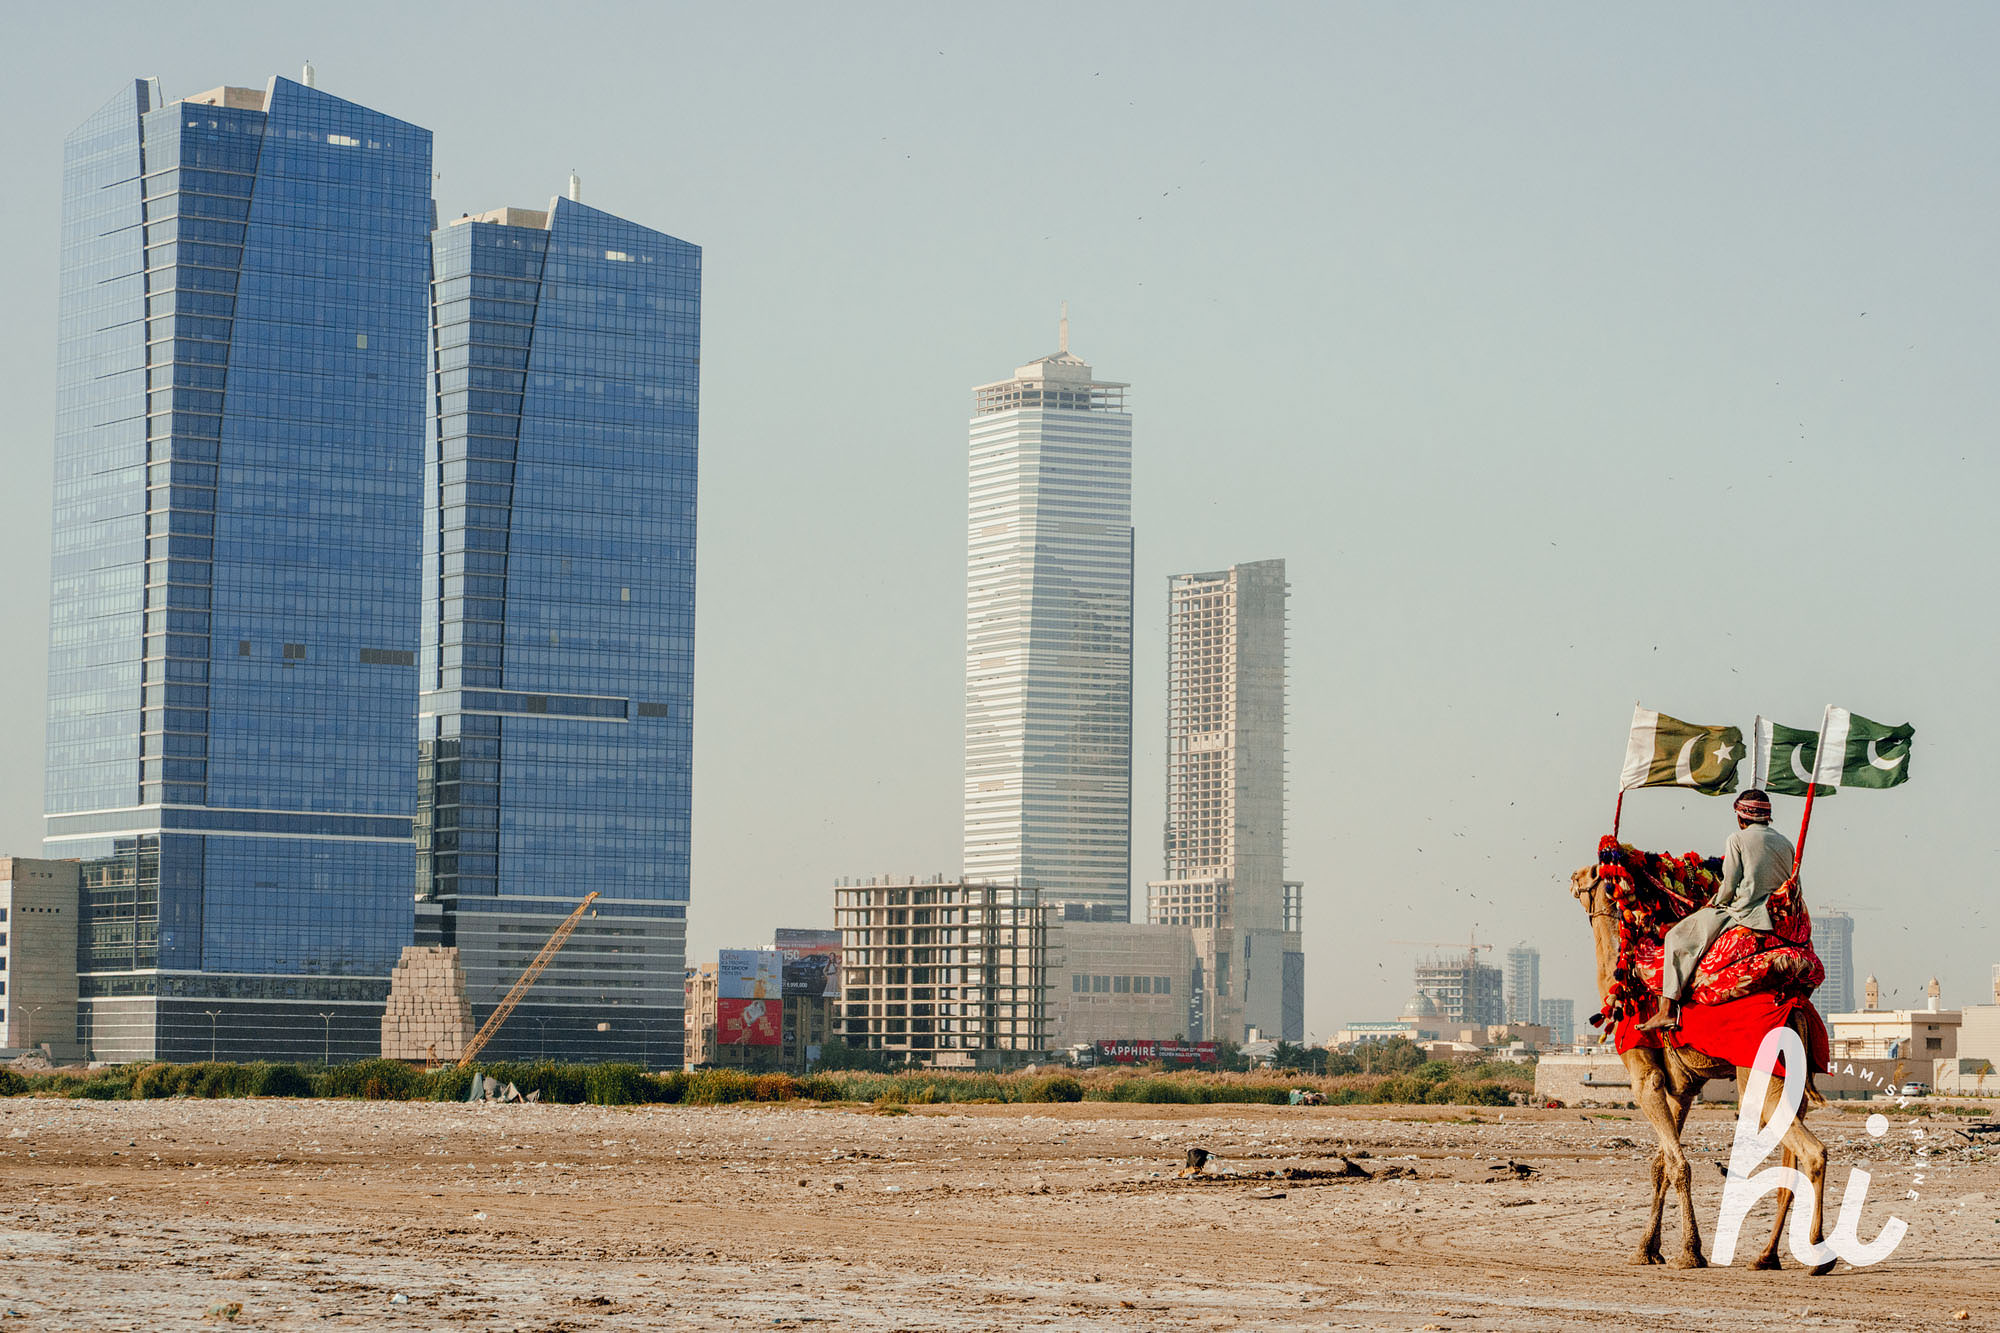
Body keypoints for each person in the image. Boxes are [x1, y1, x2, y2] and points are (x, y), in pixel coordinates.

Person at [1637, 789, 1795, 1032]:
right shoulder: (1786, 843)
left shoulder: (1737, 839)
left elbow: (1730, 885)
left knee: (1676, 937)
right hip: (1778, 916)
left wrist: (1711, 904)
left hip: (1743, 911)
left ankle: (1667, 1009)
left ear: (1742, 817)